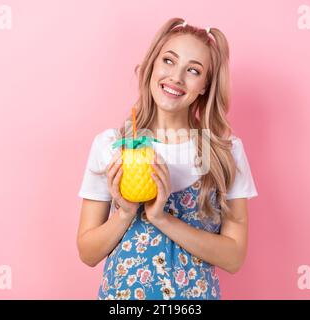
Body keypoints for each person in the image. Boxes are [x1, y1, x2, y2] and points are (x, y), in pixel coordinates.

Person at [76, 18, 258, 300]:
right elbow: (88, 253)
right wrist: (125, 213)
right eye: (169, 61)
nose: (176, 77)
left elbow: (234, 257)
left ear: (205, 86)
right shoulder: (112, 146)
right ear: (152, 66)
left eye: (193, 70)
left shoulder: (225, 151)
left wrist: (162, 218)